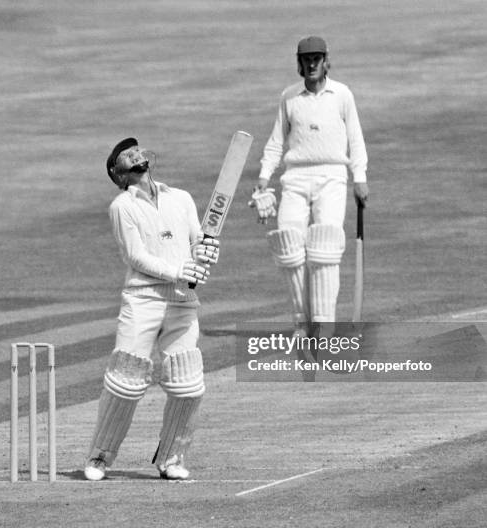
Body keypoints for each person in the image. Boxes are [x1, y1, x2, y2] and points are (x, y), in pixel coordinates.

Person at [84, 137, 220, 480]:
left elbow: (196, 240)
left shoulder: (181, 197)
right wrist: (177, 270)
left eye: (136, 149)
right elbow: (135, 256)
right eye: (125, 154)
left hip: (182, 300)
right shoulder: (122, 206)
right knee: (125, 379)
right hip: (143, 298)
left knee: (189, 384)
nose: (134, 152)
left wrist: (205, 252)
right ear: (119, 174)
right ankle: (99, 457)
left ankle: (172, 458)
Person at [251, 36, 369, 374]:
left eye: (318, 58)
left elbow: (356, 140)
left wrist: (358, 177)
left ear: (326, 60)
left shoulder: (342, 95)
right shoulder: (289, 97)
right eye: (307, 59)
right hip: (295, 176)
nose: (313, 63)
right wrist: (263, 177)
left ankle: (325, 330)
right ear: (299, 63)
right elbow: (276, 142)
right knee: (289, 244)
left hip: (332, 175)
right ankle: (302, 325)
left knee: (325, 246)